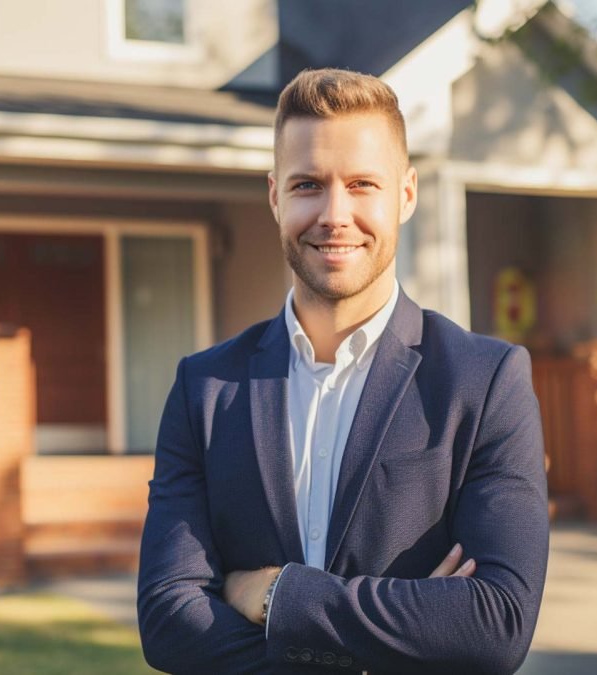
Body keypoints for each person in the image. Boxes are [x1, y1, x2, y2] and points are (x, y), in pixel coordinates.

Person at [137, 68, 549, 675]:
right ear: (276, 197)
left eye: (362, 184)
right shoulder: (206, 390)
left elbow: (496, 624)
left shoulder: (486, 382)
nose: (335, 213)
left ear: (405, 194)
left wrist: (273, 594)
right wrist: (404, 637)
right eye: (308, 185)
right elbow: (170, 625)